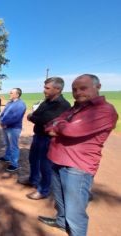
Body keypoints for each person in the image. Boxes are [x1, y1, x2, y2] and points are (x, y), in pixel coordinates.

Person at [38, 74, 118, 236]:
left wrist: (60, 126)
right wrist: (60, 125)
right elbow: (49, 125)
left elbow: (70, 130)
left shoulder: (104, 110)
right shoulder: (76, 108)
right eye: (75, 89)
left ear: (98, 87)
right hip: (57, 159)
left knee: (75, 211)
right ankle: (61, 222)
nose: (78, 92)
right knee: (59, 200)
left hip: (77, 166)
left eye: (83, 88)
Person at [18, 77, 71, 200]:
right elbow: (37, 115)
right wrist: (35, 117)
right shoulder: (46, 101)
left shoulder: (62, 105)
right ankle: (33, 179)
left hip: (49, 140)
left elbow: (44, 119)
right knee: (33, 159)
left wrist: (32, 117)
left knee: (45, 166)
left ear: (57, 89)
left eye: (47, 88)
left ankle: (43, 190)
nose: (44, 90)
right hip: (38, 136)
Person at [0, 88, 26, 172]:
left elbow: (16, 117)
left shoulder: (21, 104)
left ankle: (14, 164)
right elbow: (3, 113)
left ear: (17, 94)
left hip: (14, 128)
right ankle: (7, 157)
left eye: (11, 93)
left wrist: (5, 123)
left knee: (14, 146)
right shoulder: (10, 103)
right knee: (7, 144)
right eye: (10, 92)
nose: (9, 94)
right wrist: (1, 120)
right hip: (6, 126)